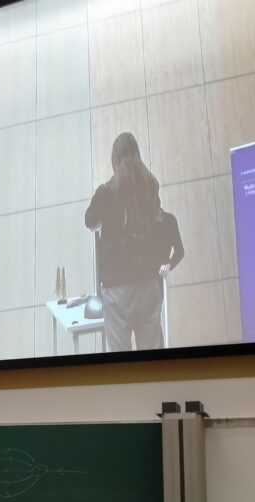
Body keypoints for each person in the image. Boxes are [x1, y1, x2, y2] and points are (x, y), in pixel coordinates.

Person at [85, 131, 184, 351]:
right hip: (149, 285)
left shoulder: (107, 191)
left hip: (117, 289)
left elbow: (89, 221)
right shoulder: (151, 186)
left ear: (114, 159)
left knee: (121, 362)